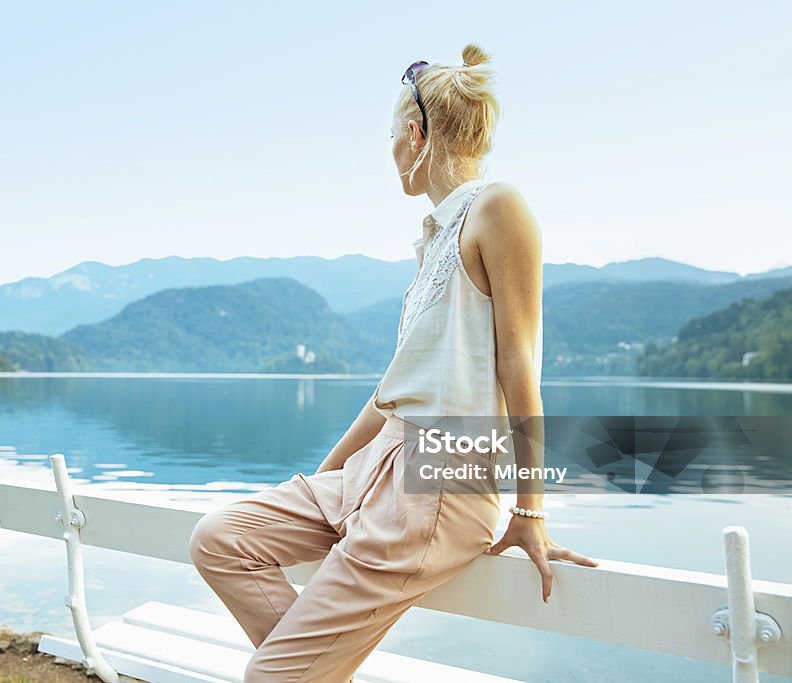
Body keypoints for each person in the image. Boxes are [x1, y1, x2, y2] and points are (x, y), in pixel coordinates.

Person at [189, 42, 598, 682]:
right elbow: (389, 395)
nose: (390, 152)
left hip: (443, 477)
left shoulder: (498, 207)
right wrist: (325, 487)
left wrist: (530, 512)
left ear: (413, 135)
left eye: (389, 137)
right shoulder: (431, 240)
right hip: (377, 469)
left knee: (269, 677)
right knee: (220, 539)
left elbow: (521, 371)